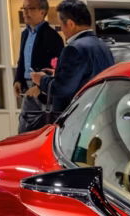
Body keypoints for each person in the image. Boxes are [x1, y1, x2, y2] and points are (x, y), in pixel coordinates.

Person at [31, 0, 113, 113]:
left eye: (60, 25)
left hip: (78, 116)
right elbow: (86, 76)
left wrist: (41, 79)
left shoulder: (74, 49)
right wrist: (58, 73)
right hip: (99, 113)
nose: (61, 30)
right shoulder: (103, 46)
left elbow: (62, 89)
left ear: (70, 24)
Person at [14, 0, 64, 133]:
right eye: (23, 8)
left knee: (44, 129)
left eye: (30, 8)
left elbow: (57, 67)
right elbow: (22, 60)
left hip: (44, 89)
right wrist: (18, 79)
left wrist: (40, 87)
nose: (25, 12)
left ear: (42, 12)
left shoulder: (52, 36)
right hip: (27, 87)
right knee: (24, 128)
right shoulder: (25, 34)